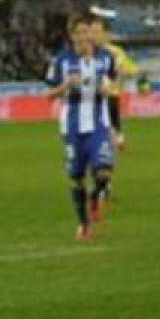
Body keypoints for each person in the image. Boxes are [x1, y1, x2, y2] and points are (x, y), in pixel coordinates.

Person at [44, 12, 117, 240]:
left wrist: (108, 87)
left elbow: (112, 81)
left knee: (103, 170)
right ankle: (83, 224)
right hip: (72, 127)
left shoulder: (105, 58)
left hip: (97, 124)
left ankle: (96, 196)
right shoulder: (61, 61)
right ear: (72, 36)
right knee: (76, 177)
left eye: (87, 32)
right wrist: (65, 84)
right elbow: (48, 95)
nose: (84, 37)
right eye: (79, 33)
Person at [89, 16, 139, 152]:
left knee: (111, 123)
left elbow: (132, 69)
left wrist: (123, 72)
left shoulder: (115, 52)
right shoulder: (85, 53)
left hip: (110, 95)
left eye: (97, 32)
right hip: (89, 97)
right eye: (91, 32)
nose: (93, 36)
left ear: (106, 34)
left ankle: (115, 140)